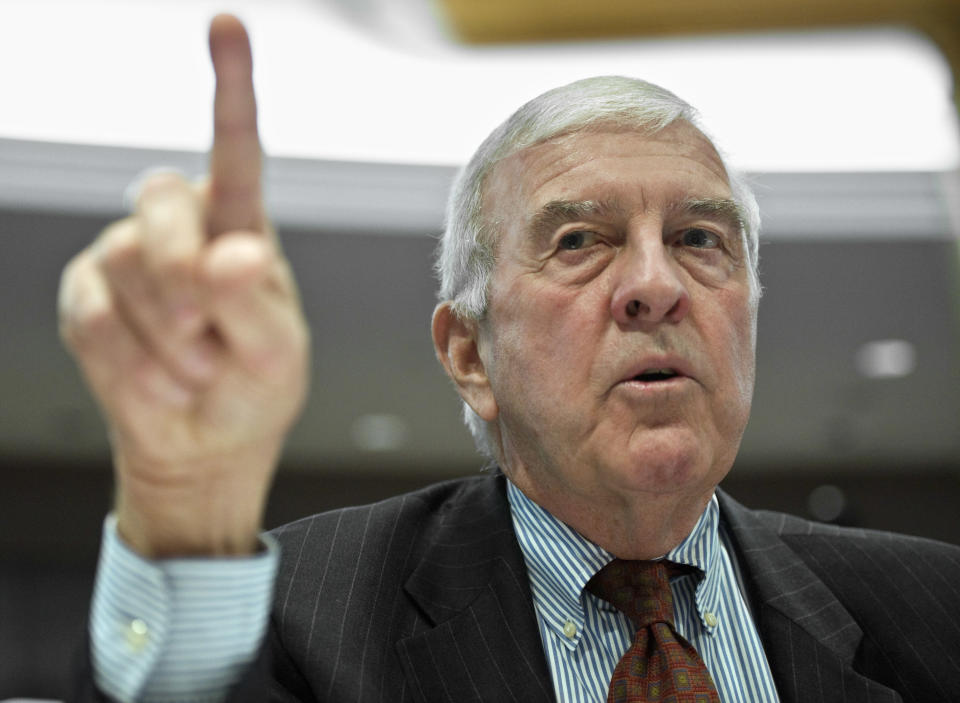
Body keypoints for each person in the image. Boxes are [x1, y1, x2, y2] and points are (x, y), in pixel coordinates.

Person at [62, 13, 960, 703]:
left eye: (697, 236)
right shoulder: (307, 617)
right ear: (469, 355)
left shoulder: (933, 606)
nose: (655, 283)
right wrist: (182, 520)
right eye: (579, 240)